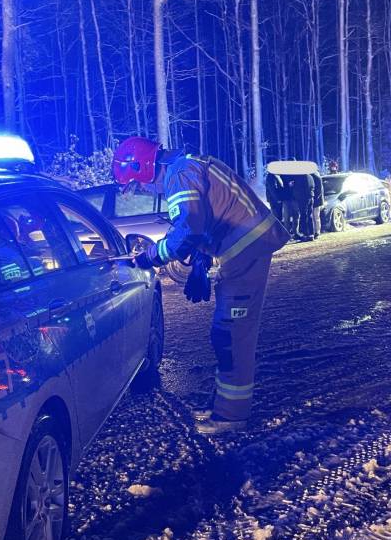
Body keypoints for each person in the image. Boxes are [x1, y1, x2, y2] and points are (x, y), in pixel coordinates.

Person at [113, 137, 289, 434]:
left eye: (138, 184)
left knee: (232, 335)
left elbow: (188, 228)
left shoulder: (180, 175)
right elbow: (206, 220)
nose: (143, 190)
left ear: (143, 168)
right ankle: (224, 407)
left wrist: (150, 257)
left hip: (245, 251)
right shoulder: (186, 167)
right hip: (242, 250)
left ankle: (230, 417)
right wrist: (201, 260)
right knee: (225, 333)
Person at [291, 173, 315, 240]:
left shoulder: (299, 177)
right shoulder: (310, 176)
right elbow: (313, 186)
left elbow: (298, 189)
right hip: (310, 197)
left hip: (303, 198)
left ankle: (305, 234)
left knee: (303, 216)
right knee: (309, 216)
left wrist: (293, 187)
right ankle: (311, 234)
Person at [310, 167, 323, 239]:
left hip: (316, 200)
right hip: (315, 199)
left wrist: (315, 198)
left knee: (316, 216)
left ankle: (317, 232)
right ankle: (315, 231)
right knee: (314, 216)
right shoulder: (315, 176)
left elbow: (319, 190)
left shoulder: (316, 177)